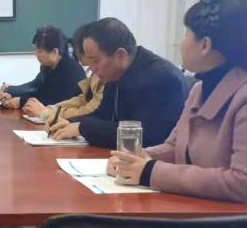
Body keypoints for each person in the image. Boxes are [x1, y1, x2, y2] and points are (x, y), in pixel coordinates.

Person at [108, 0, 247, 203]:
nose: (181, 42)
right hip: (195, 209)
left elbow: (242, 183)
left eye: (185, 34)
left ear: (204, 45)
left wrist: (149, 171)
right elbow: (175, 147)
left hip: (226, 222)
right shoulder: (199, 90)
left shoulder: (242, 98)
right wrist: (136, 159)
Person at [48, 17, 188, 148]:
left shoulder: (163, 78)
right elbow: (102, 114)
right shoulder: (116, 73)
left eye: (96, 61)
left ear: (120, 55)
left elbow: (144, 136)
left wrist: (82, 128)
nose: (92, 69)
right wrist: (69, 123)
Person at [22, 24, 106, 122]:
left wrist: (46, 113)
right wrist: (52, 109)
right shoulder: (48, 68)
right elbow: (83, 99)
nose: (91, 69)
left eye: (40, 50)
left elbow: (90, 111)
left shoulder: (71, 69)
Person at [0, 25, 85, 110]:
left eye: (40, 51)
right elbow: (38, 91)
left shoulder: (70, 71)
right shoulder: (48, 68)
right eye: (36, 49)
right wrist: (14, 96)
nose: (36, 54)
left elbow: (53, 101)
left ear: (54, 52)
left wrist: (21, 101)